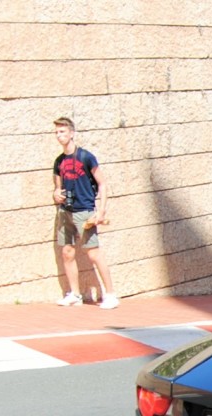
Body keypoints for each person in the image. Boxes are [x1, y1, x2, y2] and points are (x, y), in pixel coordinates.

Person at [52, 117, 119, 308]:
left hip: (85, 210)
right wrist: (56, 193)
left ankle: (111, 294)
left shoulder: (86, 157)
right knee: (67, 252)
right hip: (66, 212)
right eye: (56, 132)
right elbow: (57, 187)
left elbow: (102, 183)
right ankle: (75, 294)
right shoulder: (59, 161)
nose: (59, 135)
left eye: (62, 132)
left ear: (72, 133)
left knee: (93, 253)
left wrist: (101, 211)